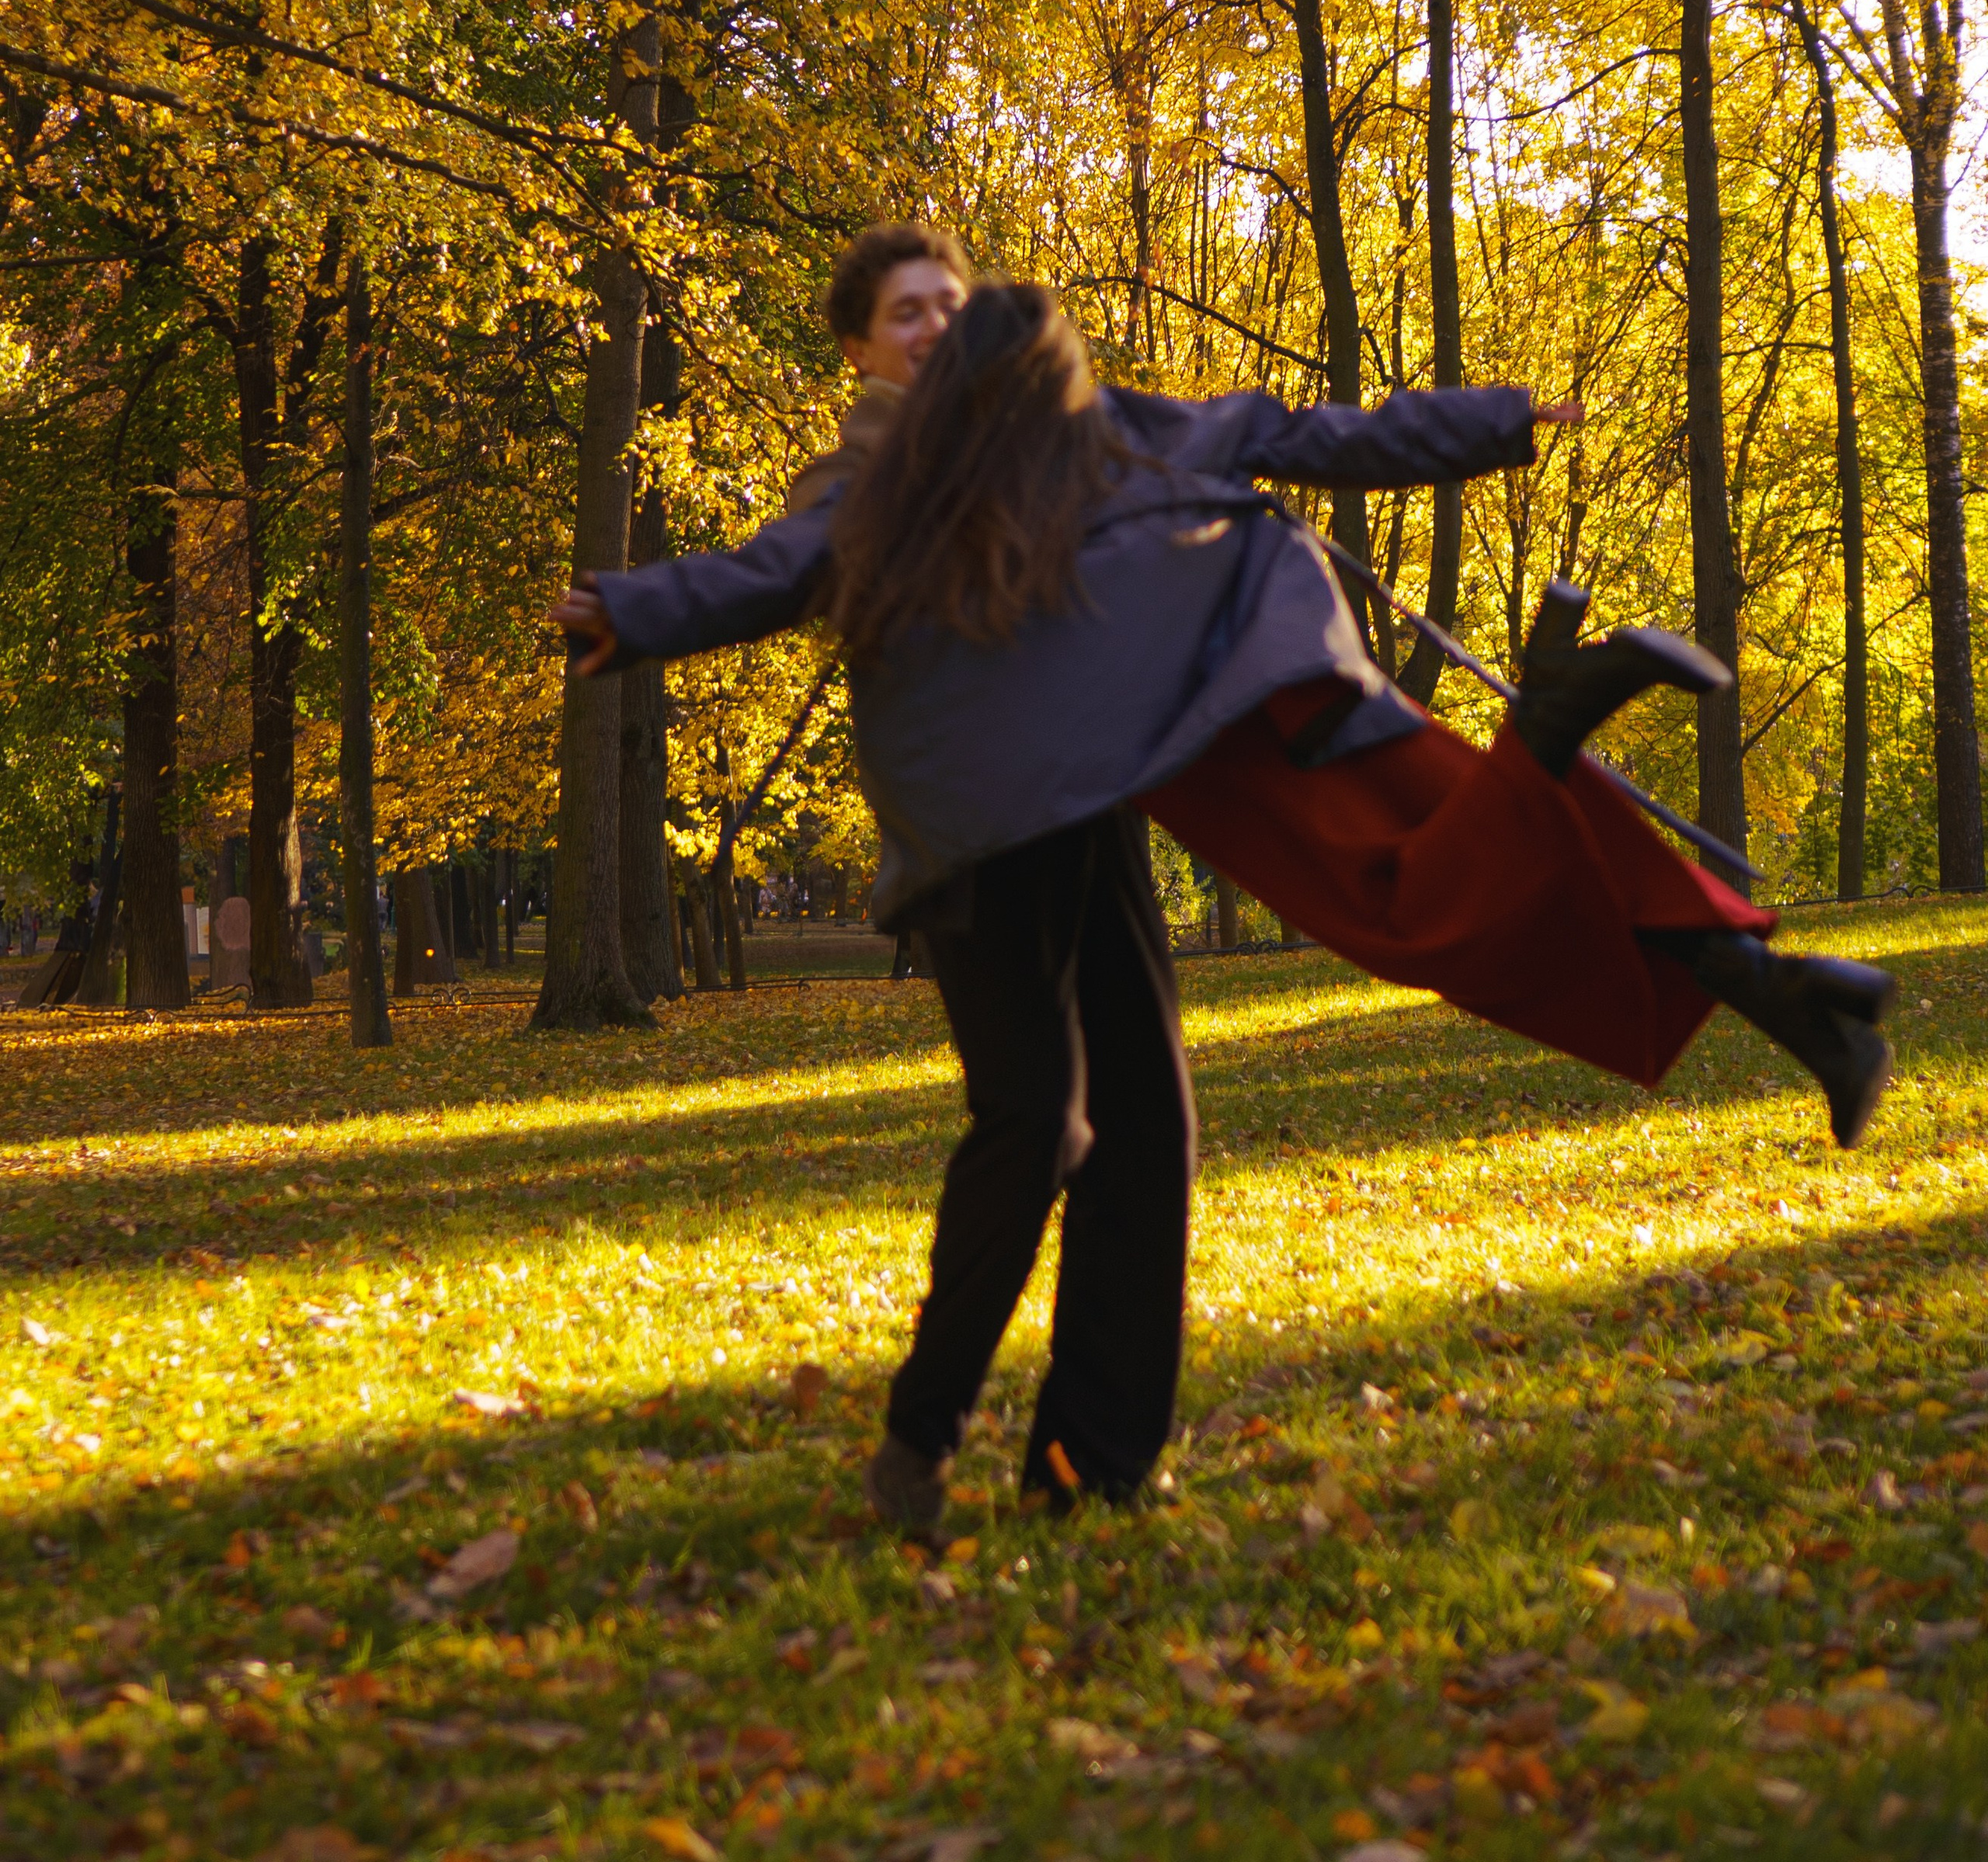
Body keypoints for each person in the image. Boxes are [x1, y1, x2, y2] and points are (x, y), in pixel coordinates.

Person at [552, 260, 1893, 1533]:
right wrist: (632, 607)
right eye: (907, 312)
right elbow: (770, 569)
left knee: (1189, 1087)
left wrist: (1485, 420)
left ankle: (1093, 1464)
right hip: (995, 831)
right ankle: (927, 1432)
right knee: (1042, 1124)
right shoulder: (888, 471)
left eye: (951, 304)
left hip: (1145, 762)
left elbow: (1306, 431)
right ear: (860, 344)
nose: (936, 328)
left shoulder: (1100, 424)